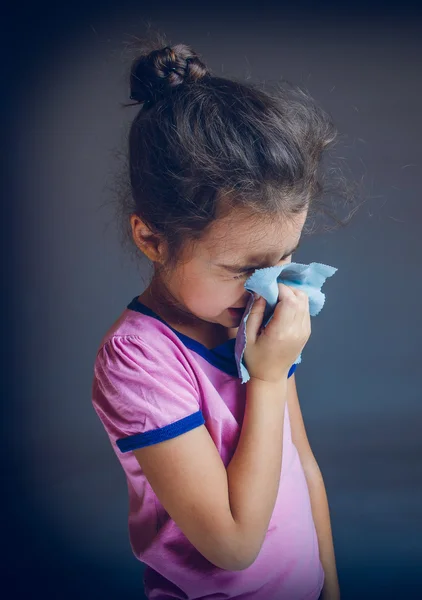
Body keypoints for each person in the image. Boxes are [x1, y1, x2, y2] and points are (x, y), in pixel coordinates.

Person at [91, 33, 349, 600]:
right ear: (152, 239)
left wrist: (330, 588)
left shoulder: (256, 319)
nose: (267, 283)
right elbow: (233, 546)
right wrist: (268, 376)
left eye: (283, 259)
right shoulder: (139, 360)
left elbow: (303, 469)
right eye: (241, 267)